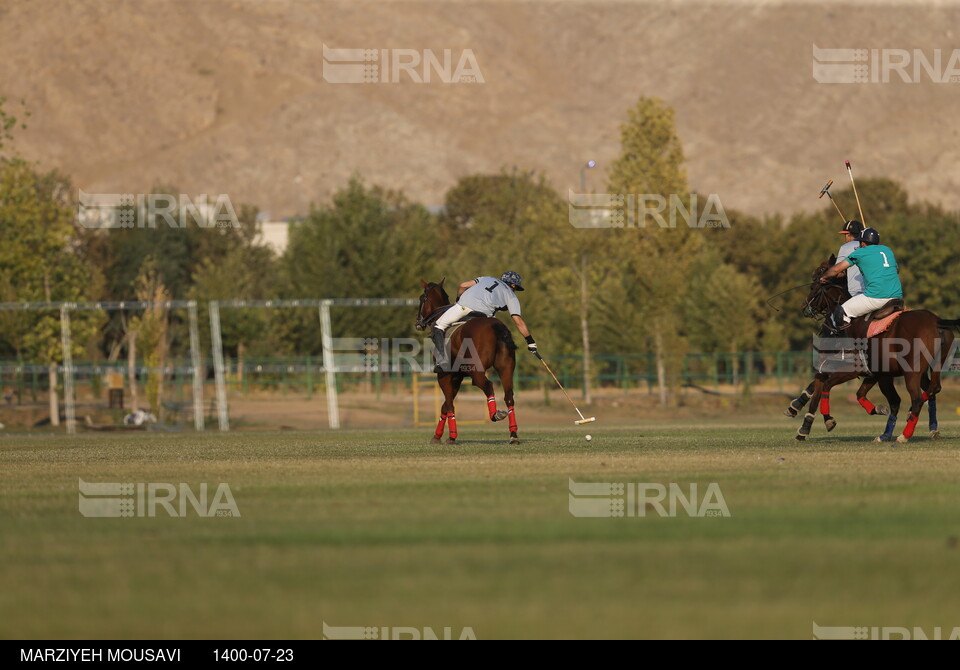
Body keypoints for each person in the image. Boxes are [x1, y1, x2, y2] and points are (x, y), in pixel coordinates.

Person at [431, 271, 536, 372]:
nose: (515, 290)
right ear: (513, 285)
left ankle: (442, 361)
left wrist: (458, 299)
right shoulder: (512, 296)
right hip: (486, 315)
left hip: (464, 306)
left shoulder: (487, 278)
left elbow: (463, 285)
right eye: (516, 288)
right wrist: (530, 342)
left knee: (438, 326)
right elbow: (518, 321)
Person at [819, 228, 902, 332]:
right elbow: (896, 270)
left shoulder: (860, 252)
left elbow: (836, 269)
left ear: (862, 243)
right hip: (897, 296)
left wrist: (824, 277)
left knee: (841, 312)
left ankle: (851, 346)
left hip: (876, 297)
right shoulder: (887, 250)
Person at [836, 220, 866, 298]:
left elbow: (838, 272)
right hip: (877, 291)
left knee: (841, 310)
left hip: (858, 292)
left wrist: (826, 277)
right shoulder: (871, 246)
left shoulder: (845, 247)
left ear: (848, 235)